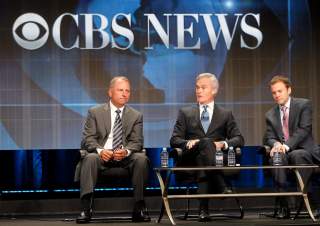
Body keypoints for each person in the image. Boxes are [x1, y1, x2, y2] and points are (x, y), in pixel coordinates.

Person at [74, 76, 150, 223]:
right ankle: (85, 208)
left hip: (125, 159)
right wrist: (101, 151)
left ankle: (139, 207)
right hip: (101, 157)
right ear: (110, 92)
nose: (124, 94)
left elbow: (137, 142)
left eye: (127, 91)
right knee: (90, 158)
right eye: (120, 90)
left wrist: (126, 151)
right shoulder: (95, 112)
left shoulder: (136, 115)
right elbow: (88, 139)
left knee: (141, 159)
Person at [170, 73, 244, 222]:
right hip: (189, 158)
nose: (199, 91)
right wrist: (187, 143)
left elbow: (239, 139)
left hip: (212, 159)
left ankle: (203, 209)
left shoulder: (225, 114)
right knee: (203, 143)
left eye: (203, 88)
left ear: (214, 90)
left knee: (203, 155)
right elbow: (174, 139)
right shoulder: (185, 112)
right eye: (197, 88)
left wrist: (223, 144)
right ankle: (221, 184)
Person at [263, 75, 320, 219]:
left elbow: (304, 130)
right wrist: (276, 144)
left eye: (279, 91)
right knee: (276, 157)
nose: (276, 95)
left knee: (298, 155)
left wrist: (285, 146)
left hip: (303, 149)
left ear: (289, 90)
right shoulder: (270, 114)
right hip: (284, 153)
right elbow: (268, 137)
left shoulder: (303, 105)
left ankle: (310, 203)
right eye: (274, 93)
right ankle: (284, 205)